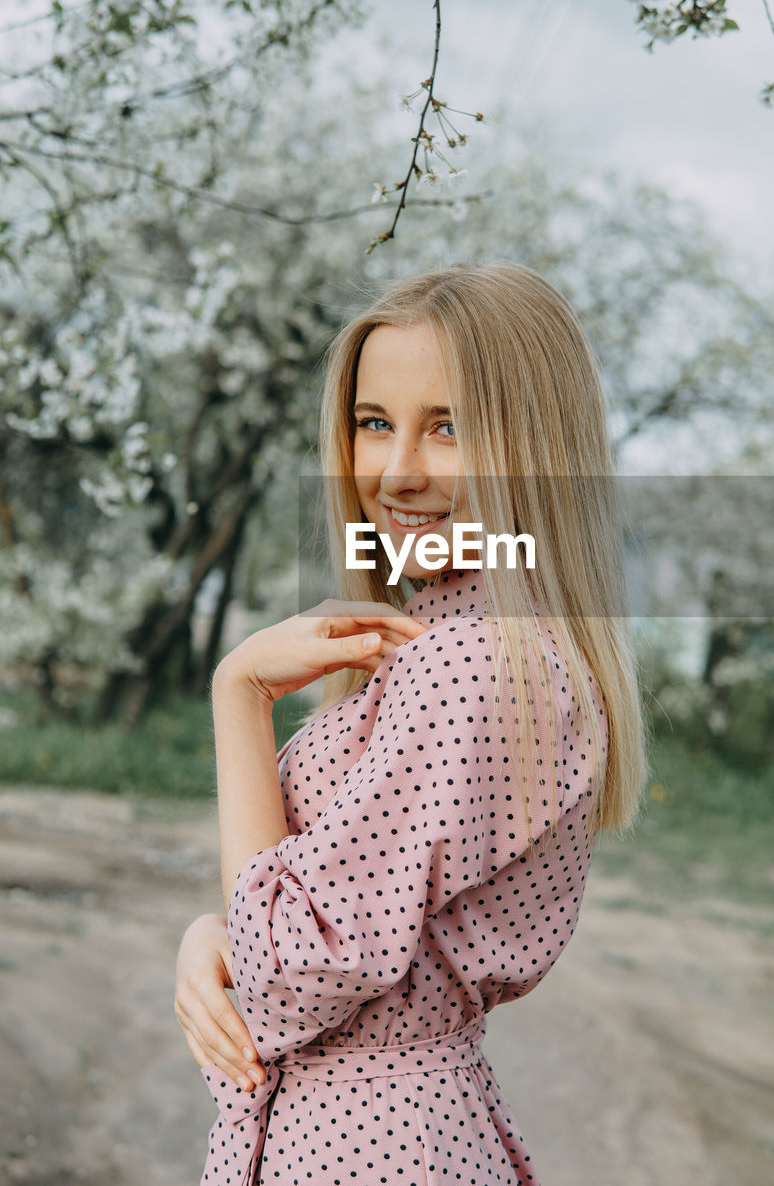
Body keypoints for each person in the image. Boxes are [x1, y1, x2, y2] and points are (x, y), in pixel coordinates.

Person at [174, 261, 647, 1186]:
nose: (396, 473)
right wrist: (213, 938)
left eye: (448, 428)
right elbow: (300, 912)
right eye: (374, 423)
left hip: (366, 1150)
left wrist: (239, 693)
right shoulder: (455, 640)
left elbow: (289, 971)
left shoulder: (471, 662)